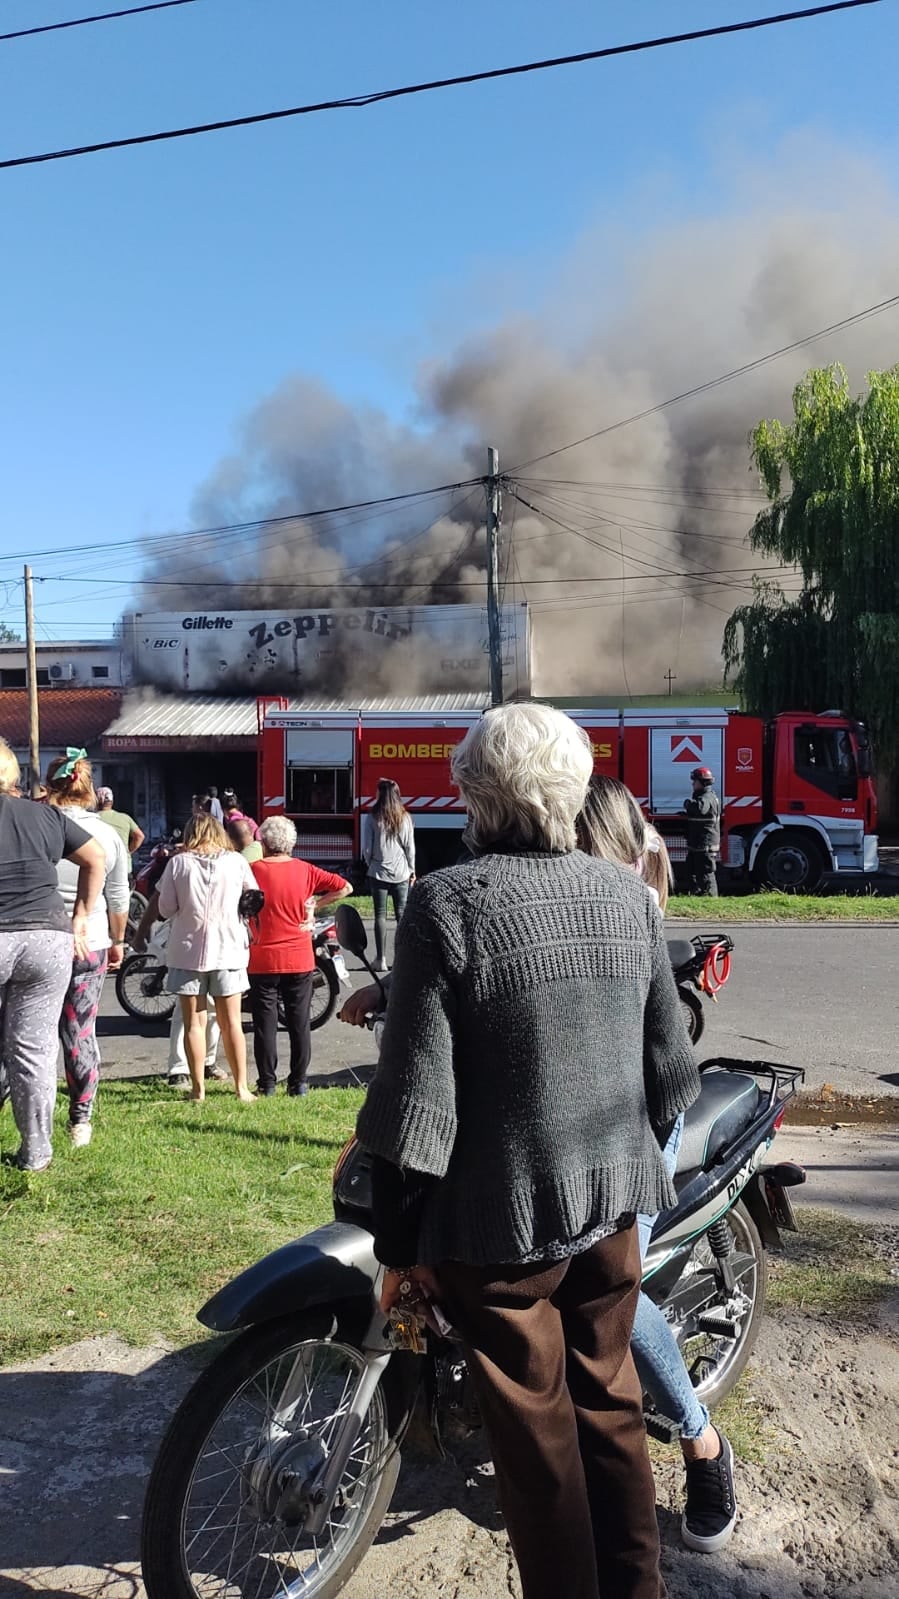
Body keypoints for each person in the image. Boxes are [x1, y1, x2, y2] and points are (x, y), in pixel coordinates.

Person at [355, 702, 701, 1599]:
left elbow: (412, 1101)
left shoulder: (447, 900)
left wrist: (395, 1246)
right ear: (575, 789)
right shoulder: (627, 893)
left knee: (538, 1448)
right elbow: (671, 1070)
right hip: (610, 1212)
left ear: (472, 793)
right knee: (612, 1411)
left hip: (495, 1234)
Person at [576, 775, 737, 1552]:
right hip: (574, 1111)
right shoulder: (560, 885)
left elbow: (660, 1074)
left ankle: (700, 1439)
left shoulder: (626, 899)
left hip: (640, 1114)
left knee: (610, 1282)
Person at [0, 737, 106, 1170]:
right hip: (48, 939)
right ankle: (37, 1153)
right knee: (34, 1051)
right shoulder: (45, 815)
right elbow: (96, 858)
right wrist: (81, 916)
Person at [46, 750, 131, 1149]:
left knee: (28, 1031)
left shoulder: (37, 825)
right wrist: (118, 941)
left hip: (40, 936)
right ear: (89, 788)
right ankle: (80, 1119)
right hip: (92, 942)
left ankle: (31, 1113)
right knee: (79, 1031)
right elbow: (118, 897)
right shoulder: (109, 836)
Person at [156, 812, 258, 1102]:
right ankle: (242, 1088)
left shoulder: (178, 863)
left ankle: (197, 1089)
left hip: (187, 950)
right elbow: (253, 898)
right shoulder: (236, 861)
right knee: (232, 1023)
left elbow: (165, 908)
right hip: (229, 950)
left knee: (194, 1023)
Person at [248, 816, 351, 1096]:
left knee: (264, 1024)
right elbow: (345, 886)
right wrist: (316, 905)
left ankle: (267, 1083)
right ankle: (299, 1083)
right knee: (299, 1022)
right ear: (291, 844)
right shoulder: (305, 870)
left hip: (262, 957)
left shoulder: (252, 870)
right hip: (299, 956)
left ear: (264, 843)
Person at [132, 879, 226, 1088]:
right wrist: (142, 931)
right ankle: (179, 1068)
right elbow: (160, 901)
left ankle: (207, 1061)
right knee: (185, 1012)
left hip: (221, 946)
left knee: (214, 1010)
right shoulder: (181, 864)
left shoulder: (231, 861)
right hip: (188, 946)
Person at [361, 778, 415, 974]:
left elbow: (366, 848)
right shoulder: (405, 817)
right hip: (401, 872)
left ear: (380, 794)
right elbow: (410, 847)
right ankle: (402, 959)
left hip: (378, 871)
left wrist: (371, 863)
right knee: (401, 915)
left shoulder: (373, 816)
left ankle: (380, 959)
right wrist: (412, 869)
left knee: (380, 915)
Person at [683, 767, 721, 897]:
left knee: (705, 873)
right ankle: (697, 895)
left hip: (705, 844)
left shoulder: (707, 797)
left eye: (695, 781)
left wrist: (688, 804)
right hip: (698, 843)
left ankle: (710, 898)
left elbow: (701, 809)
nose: (693, 784)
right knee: (691, 871)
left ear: (703, 783)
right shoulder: (706, 796)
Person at [95, 786, 145, 863]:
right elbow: (140, 836)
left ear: (96, 801)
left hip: (102, 866)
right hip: (124, 866)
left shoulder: (93, 819)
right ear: (112, 802)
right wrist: (127, 852)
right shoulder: (125, 818)